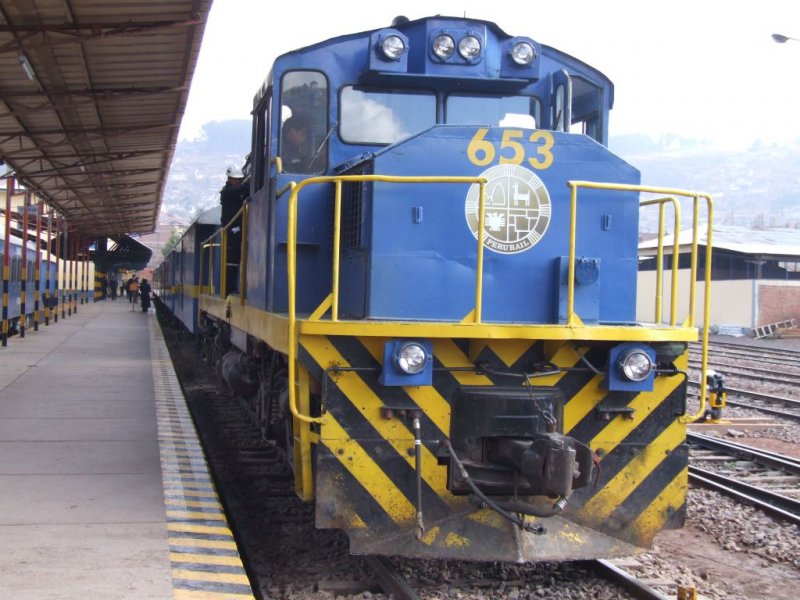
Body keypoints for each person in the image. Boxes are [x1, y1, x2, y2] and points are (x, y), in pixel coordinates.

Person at [220, 165, 249, 293]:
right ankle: (229, 288)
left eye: (240, 179)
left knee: (236, 257)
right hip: (231, 228)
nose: (239, 181)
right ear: (230, 179)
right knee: (232, 258)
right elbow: (243, 189)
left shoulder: (235, 190)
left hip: (236, 227)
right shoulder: (227, 191)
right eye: (236, 179)